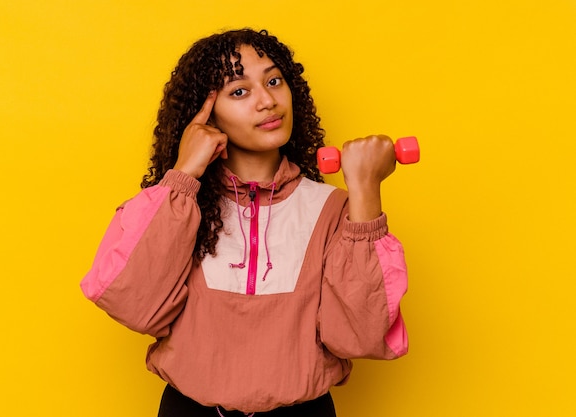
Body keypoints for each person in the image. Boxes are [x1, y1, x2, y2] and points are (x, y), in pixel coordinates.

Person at [81, 28, 408, 417]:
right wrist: (185, 172)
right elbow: (130, 300)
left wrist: (365, 191)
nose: (268, 101)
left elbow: (359, 334)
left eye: (274, 81)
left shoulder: (333, 209)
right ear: (205, 114)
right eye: (240, 91)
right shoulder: (182, 206)